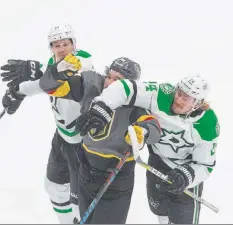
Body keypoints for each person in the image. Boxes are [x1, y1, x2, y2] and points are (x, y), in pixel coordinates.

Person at [75, 75, 220, 224]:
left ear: (198, 104)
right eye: (179, 93)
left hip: (184, 172)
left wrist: (187, 176)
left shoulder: (207, 125)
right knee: (160, 211)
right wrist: (103, 106)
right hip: (156, 163)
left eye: (186, 98)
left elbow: (205, 165)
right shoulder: (161, 94)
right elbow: (125, 87)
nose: (178, 99)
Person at [39, 55, 162, 223]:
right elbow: (49, 87)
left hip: (116, 179)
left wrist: (142, 132)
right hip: (86, 170)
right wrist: (59, 73)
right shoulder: (92, 86)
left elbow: (154, 129)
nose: (109, 83)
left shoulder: (135, 105)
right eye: (109, 76)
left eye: (117, 80)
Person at [0, 23, 94, 224]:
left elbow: (66, 74)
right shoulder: (54, 64)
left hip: (83, 144)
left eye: (65, 43)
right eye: (56, 45)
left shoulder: (84, 62)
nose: (60, 48)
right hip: (61, 138)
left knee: (81, 202)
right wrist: (18, 91)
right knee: (54, 187)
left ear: (73, 44)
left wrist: (39, 69)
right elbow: (48, 83)